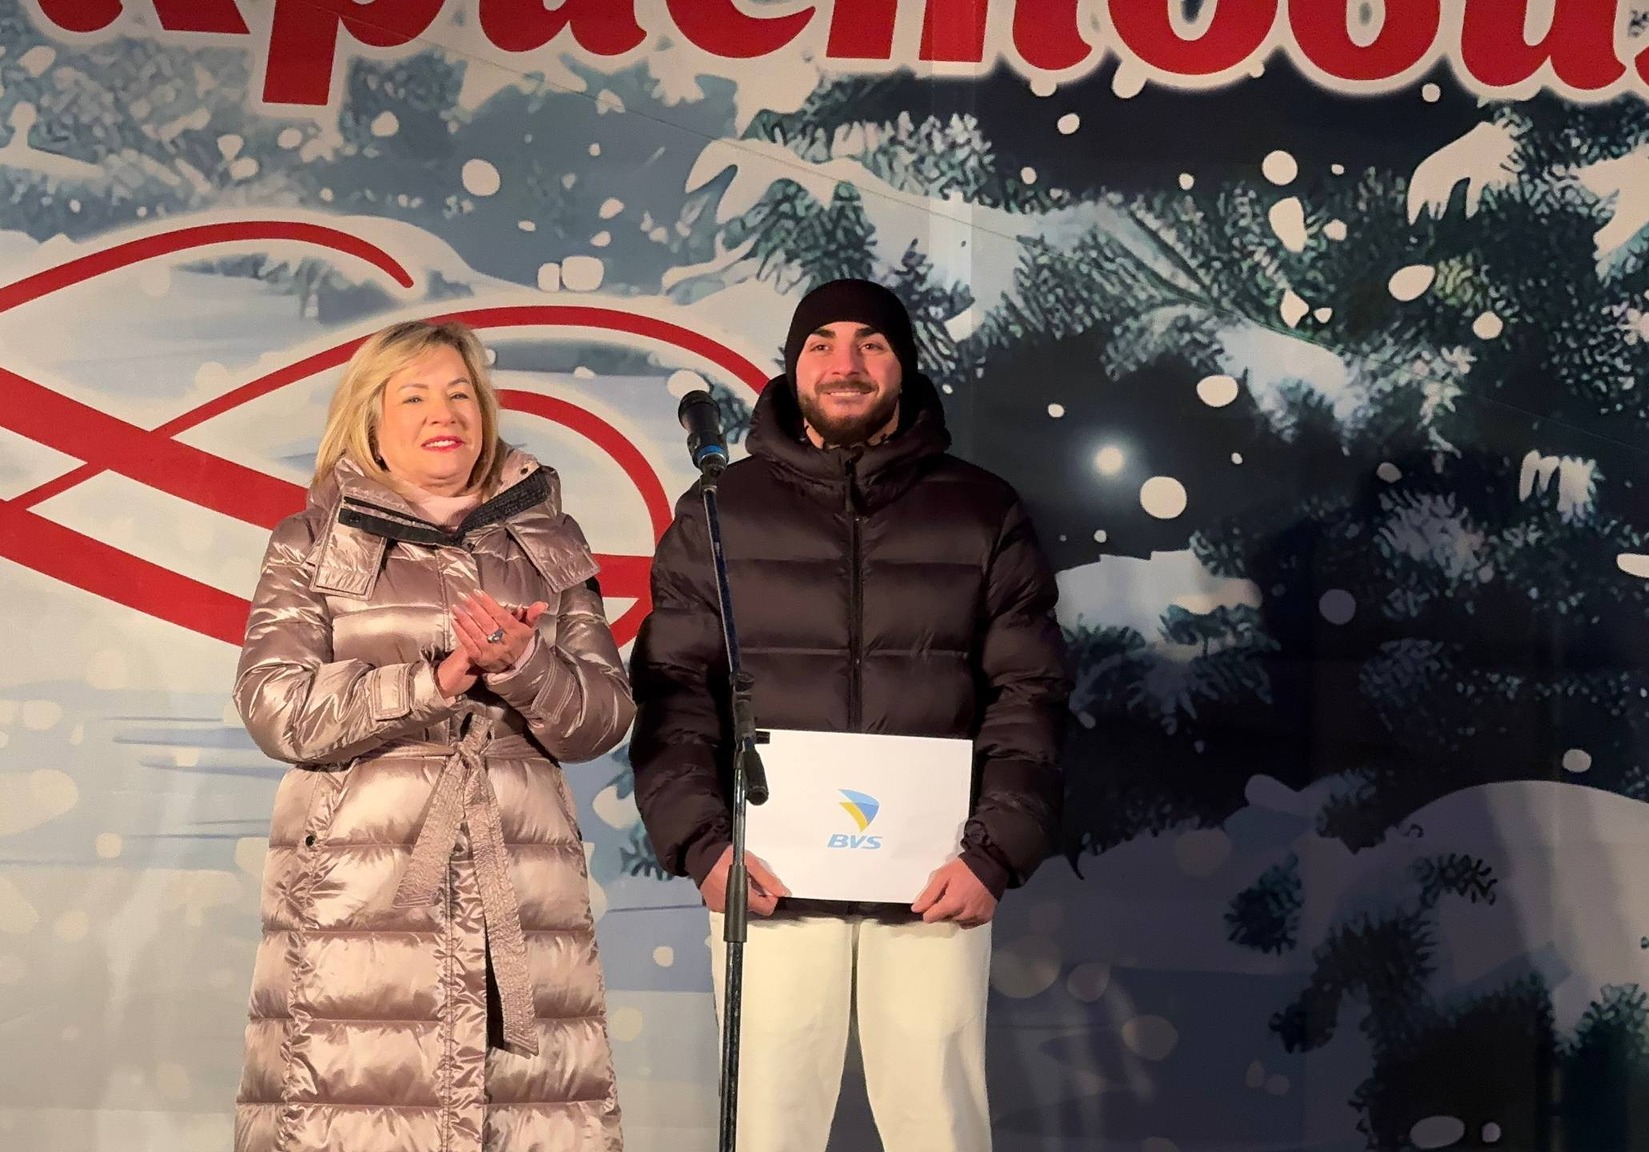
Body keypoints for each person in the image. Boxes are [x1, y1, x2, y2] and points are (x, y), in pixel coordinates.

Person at [629, 278, 1070, 1151]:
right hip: (770, 880)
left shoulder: (982, 510)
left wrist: (994, 852)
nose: (845, 363)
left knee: (939, 1125)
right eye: (821, 343)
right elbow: (674, 695)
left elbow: (1029, 695)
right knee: (769, 1126)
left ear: (902, 367)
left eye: (871, 343)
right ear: (792, 366)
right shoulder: (720, 509)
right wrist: (704, 846)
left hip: (935, 878)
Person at [232, 319, 631, 1152]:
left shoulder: (549, 540)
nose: (442, 413)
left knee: (527, 1112)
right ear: (370, 420)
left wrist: (525, 665)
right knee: (356, 1109)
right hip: (360, 882)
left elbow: (605, 715)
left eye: (459, 394)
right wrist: (431, 682)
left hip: (520, 872)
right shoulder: (311, 542)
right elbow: (275, 706)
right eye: (412, 396)